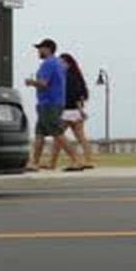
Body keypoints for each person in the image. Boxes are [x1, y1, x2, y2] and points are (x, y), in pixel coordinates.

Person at [25, 39, 83, 172]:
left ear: (48, 49)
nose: (38, 51)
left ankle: (76, 160)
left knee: (57, 132)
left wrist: (31, 82)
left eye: (40, 48)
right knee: (39, 133)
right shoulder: (58, 63)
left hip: (50, 103)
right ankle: (34, 162)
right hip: (51, 102)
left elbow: (44, 83)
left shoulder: (48, 63)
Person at [49, 53, 94, 170]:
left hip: (67, 111)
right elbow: (81, 95)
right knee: (81, 138)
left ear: (67, 63)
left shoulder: (67, 77)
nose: (59, 64)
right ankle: (89, 160)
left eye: (61, 62)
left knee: (58, 138)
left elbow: (74, 95)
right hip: (75, 111)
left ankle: (52, 163)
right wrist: (81, 110)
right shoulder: (76, 76)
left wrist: (79, 109)